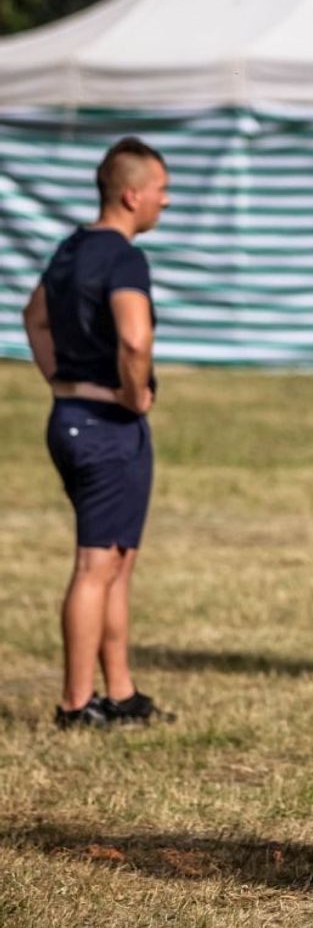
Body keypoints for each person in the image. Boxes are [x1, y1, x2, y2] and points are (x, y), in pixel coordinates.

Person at [19, 137, 174, 729]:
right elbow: (135, 339)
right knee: (95, 564)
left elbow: (34, 317)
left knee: (117, 560)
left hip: (70, 419)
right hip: (108, 427)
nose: (165, 201)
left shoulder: (70, 248)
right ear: (132, 195)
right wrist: (132, 394)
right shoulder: (124, 259)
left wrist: (59, 379)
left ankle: (121, 691)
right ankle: (75, 704)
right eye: (161, 189)